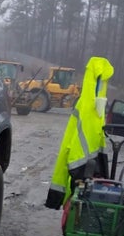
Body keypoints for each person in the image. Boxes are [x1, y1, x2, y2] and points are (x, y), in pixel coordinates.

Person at [45, 56, 114, 209]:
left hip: (83, 162)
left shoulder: (93, 106)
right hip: (85, 163)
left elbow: (66, 149)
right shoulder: (94, 107)